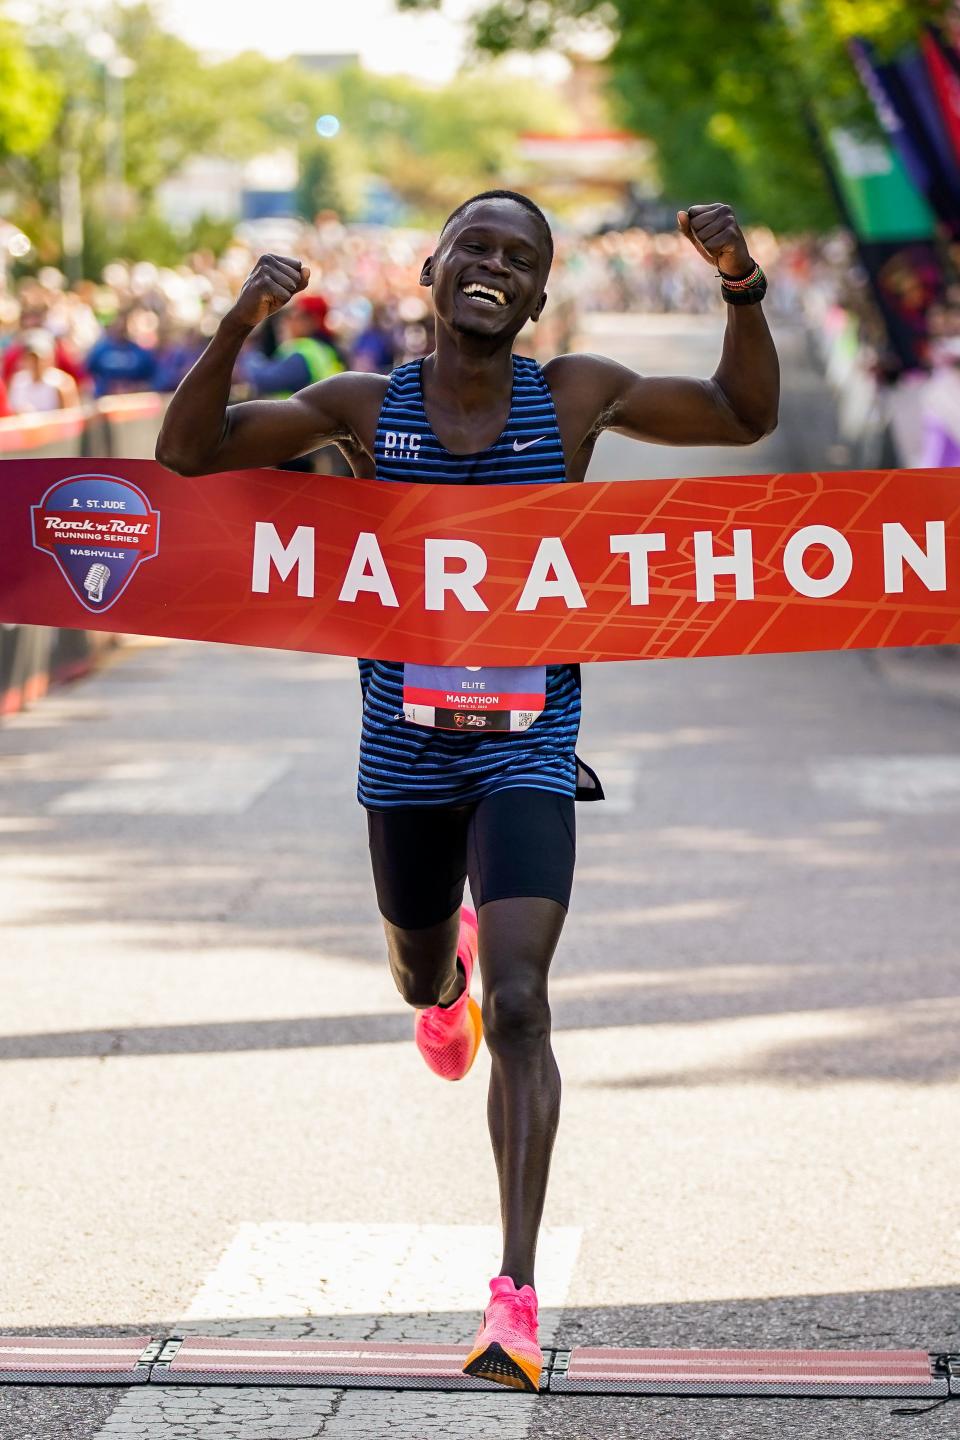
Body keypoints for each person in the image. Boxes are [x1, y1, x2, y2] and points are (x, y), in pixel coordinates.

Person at [157, 190, 779, 1393]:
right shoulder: (358, 408)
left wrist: (739, 283)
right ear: (433, 272)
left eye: (521, 258)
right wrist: (242, 315)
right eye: (475, 249)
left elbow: (744, 418)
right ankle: (441, 987)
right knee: (421, 967)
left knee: (532, 999)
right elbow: (186, 454)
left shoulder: (577, 394)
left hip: (529, 745)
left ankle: (514, 1300)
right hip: (404, 754)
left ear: (540, 295)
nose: (495, 267)